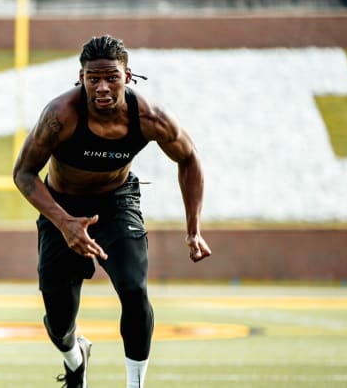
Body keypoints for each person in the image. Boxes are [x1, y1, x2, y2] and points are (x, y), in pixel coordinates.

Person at [12, 34, 212, 388]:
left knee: (134, 290)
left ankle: (135, 384)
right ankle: (76, 358)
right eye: (93, 79)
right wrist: (64, 223)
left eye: (111, 77)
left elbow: (189, 158)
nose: (102, 87)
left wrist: (193, 229)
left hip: (115, 202)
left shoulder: (150, 117)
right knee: (59, 322)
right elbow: (23, 173)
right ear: (81, 79)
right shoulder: (60, 115)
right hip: (63, 208)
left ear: (128, 76)